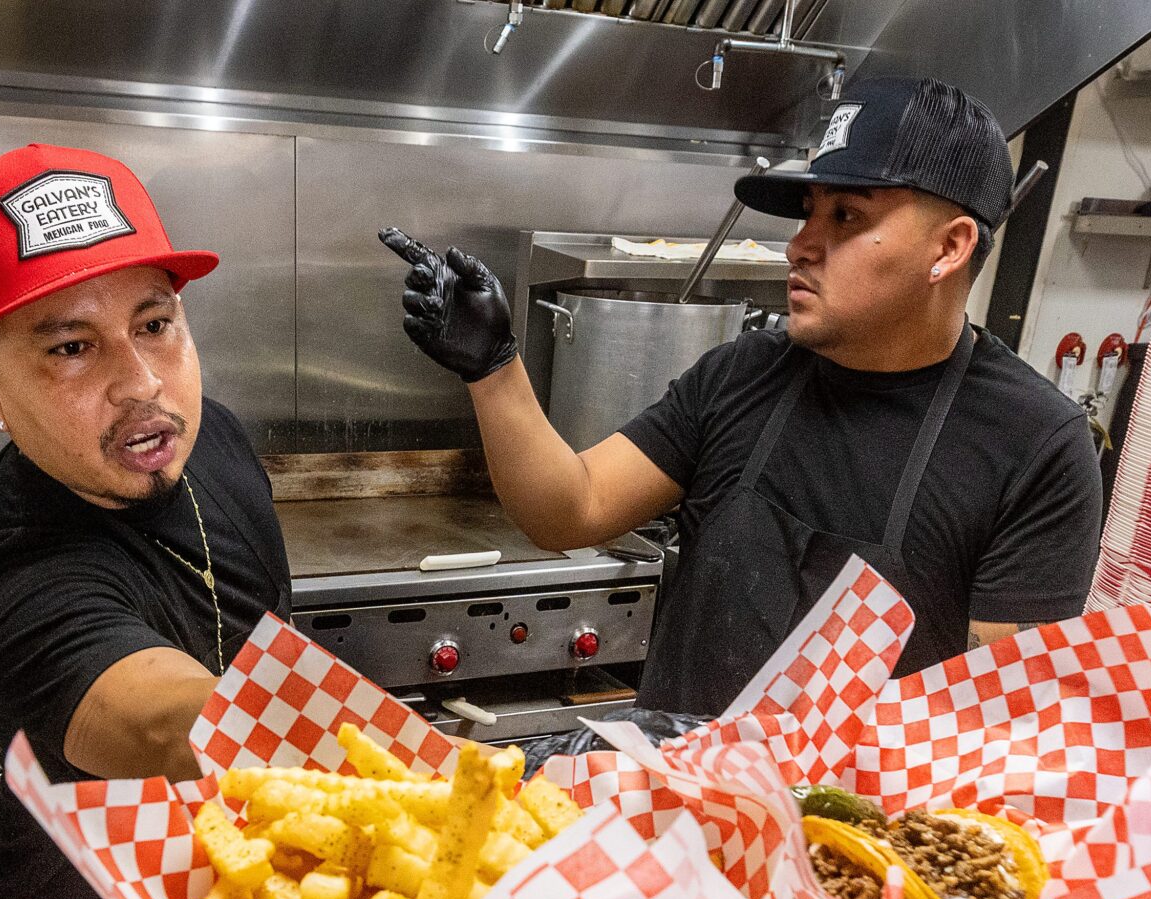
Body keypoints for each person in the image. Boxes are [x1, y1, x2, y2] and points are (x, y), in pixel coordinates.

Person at [382, 77, 1100, 717]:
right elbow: (571, 509)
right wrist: (492, 366)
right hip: (673, 817)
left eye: (846, 217)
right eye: (807, 212)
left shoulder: (1034, 445)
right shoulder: (744, 374)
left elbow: (1010, 724)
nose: (800, 245)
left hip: (849, 853)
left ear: (949, 248)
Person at [0, 143, 291, 899]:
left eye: (154, 323)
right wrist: (419, 775)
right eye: (71, 347)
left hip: (255, 885)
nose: (142, 383)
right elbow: (170, 721)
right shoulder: (18, 581)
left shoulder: (212, 435)